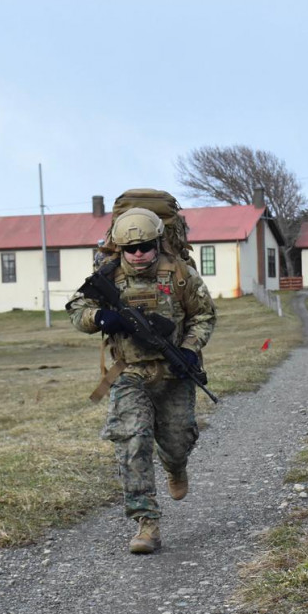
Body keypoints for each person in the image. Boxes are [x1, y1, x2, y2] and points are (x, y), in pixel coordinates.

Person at [66, 205, 217, 554]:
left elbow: (204, 316)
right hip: (129, 372)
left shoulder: (181, 274)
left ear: (158, 243)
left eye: (146, 246)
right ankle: (146, 523)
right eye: (131, 249)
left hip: (173, 371)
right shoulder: (108, 275)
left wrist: (191, 351)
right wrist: (101, 317)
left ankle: (175, 466)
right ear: (120, 249)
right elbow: (76, 310)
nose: (138, 254)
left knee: (178, 440)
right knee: (133, 439)